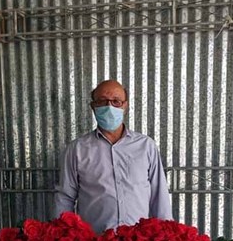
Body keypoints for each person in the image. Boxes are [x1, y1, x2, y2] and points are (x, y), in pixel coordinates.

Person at [54, 79, 173, 233]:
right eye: (102, 102)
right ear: (93, 106)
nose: (109, 107)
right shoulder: (77, 149)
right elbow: (65, 198)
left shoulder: (146, 146)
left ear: (125, 105)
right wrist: (63, 237)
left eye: (116, 101)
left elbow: (159, 196)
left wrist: (166, 236)